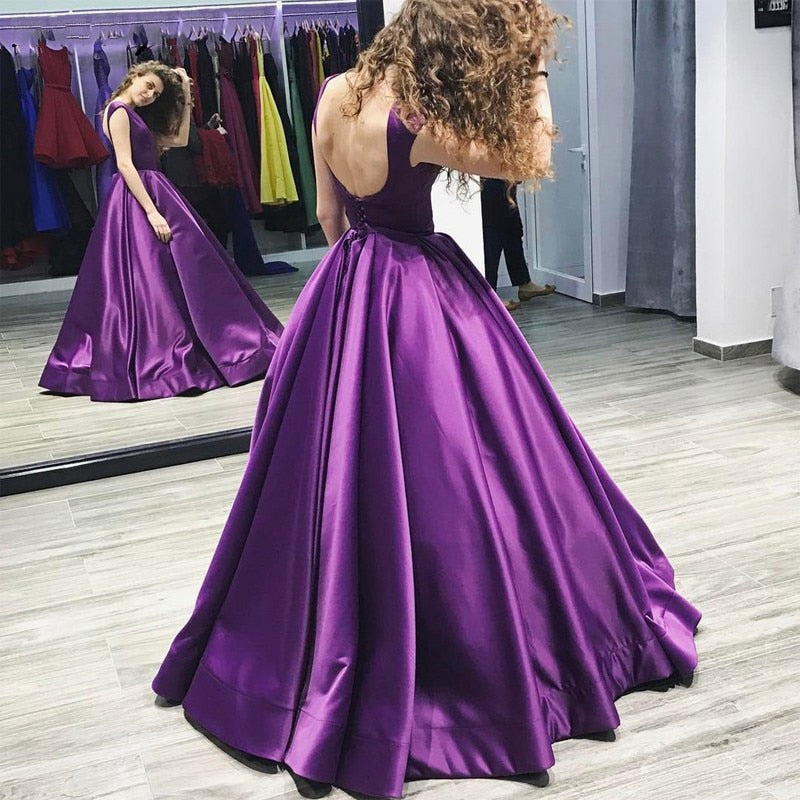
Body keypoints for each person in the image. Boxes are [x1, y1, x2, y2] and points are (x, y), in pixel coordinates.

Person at [152, 2, 701, 798]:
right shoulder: (416, 120)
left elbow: (330, 215)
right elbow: (529, 156)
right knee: (462, 465)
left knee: (326, 476)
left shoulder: (331, 91)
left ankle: (293, 650)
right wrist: (534, 71)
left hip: (343, 285)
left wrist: (355, 298)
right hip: (415, 290)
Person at [39, 62, 282, 402]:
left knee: (181, 267)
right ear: (135, 75)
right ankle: (170, 347)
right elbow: (124, 164)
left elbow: (179, 139)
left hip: (153, 190)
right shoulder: (118, 110)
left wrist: (185, 96)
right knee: (153, 272)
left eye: (155, 93)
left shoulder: (134, 114)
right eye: (149, 85)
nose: (150, 94)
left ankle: (203, 337)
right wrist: (152, 211)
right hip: (139, 196)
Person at [481, 177, 555, 310]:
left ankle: (524, 283)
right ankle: (489, 293)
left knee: (513, 231)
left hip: (503, 182)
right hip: (491, 180)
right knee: (493, 235)